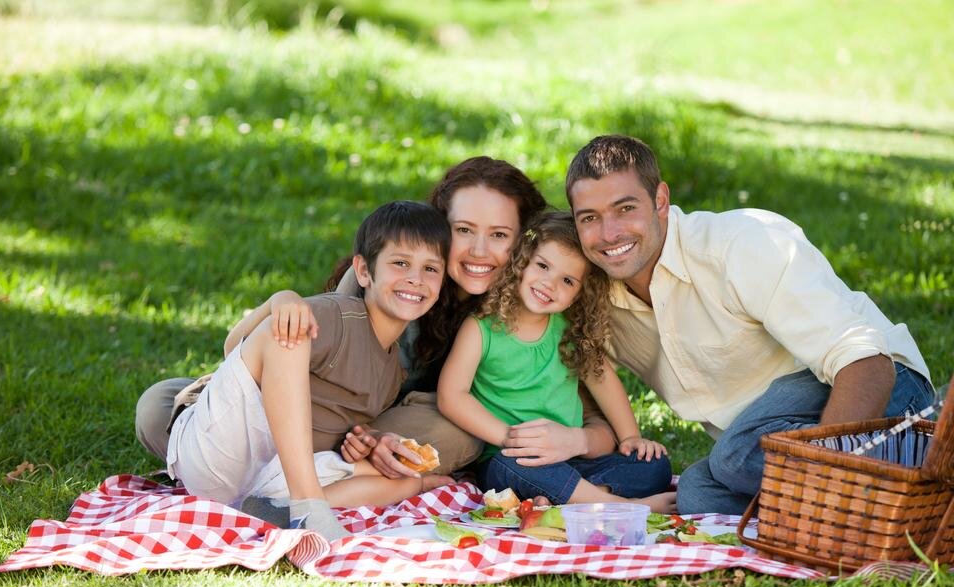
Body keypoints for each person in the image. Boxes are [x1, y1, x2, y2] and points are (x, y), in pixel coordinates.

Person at [137, 157, 622, 487]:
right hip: (312, 414)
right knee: (158, 404)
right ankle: (285, 469)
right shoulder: (392, 282)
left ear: (523, 243)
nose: (478, 252)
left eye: (498, 235)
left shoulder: (534, 304)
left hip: (405, 424)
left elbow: (582, 400)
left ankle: (305, 476)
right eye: (462, 232)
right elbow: (304, 362)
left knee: (457, 431)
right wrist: (281, 300)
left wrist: (579, 439)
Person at [564, 134, 935, 515]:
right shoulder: (589, 298)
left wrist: (826, 475)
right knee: (697, 494)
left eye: (625, 208)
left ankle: (890, 481)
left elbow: (867, 362)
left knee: (733, 455)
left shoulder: (743, 244)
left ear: (660, 200)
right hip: (763, 440)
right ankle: (884, 499)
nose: (609, 234)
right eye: (589, 218)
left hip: (881, 396)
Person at [165, 201, 452, 541]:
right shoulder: (335, 316)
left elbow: (329, 423)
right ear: (363, 271)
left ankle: (275, 511)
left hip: (264, 480)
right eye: (400, 263)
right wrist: (280, 300)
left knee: (404, 478)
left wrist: (368, 442)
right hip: (219, 449)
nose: (416, 279)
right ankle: (308, 507)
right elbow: (233, 349)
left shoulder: (392, 373)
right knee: (291, 330)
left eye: (431, 269)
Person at [437, 212, 675, 511]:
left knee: (655, 465)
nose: (549, 284)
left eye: (567, 280)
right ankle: (619, 505)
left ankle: (569, 499)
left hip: (570, 458)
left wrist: (631, 438)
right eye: (542, 266)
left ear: (578, 295)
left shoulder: (570, 332)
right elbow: (451, 396)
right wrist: (511, 439)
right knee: (516, 468)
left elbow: (604, 381)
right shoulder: (482, 328)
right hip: (513, 459)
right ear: (522, 264)